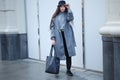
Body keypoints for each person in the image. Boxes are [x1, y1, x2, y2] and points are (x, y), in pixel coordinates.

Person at [50, 0, 76, 76]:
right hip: (59, 37)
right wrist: (53, 38)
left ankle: (68, 70)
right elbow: (52, 28)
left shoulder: (67, 14)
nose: (62, 8)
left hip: (67, 37)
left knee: (68, 54)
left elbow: (71, 18)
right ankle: (55, 69)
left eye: (63, 6)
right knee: (57, 54)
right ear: (58, 7)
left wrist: (69, 9)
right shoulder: (55, 17)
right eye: (61, 6)